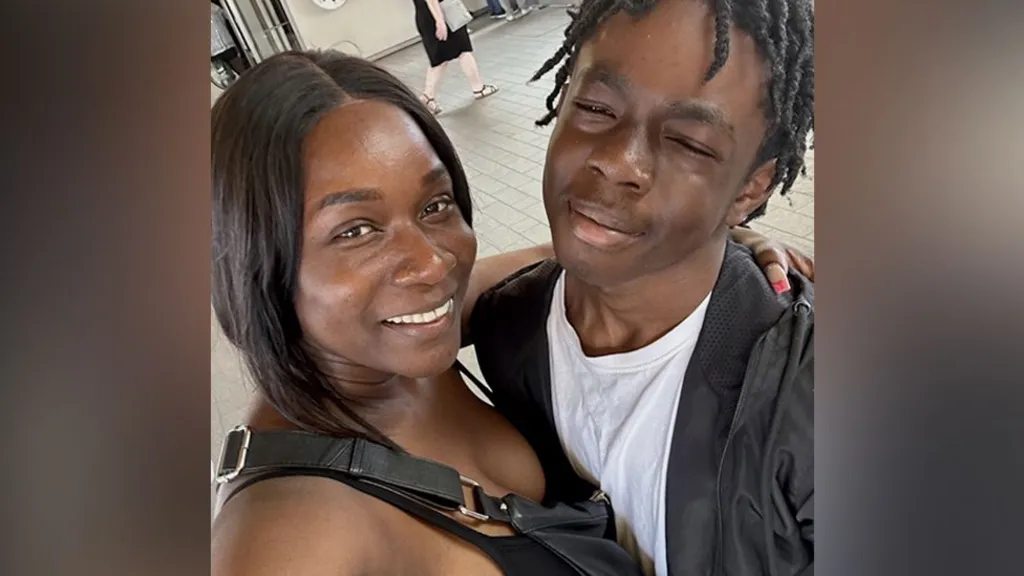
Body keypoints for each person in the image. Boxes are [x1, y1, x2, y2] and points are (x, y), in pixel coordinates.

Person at [209, 50, 647, 576]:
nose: (434, 264)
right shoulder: (286, 541)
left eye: (434, 205)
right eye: (356, 231)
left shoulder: (405, 338)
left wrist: (696, 241)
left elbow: (547, 261)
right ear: (256, 263)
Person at [467, 1, 815, 575]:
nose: (618, 161)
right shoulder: (509, 328)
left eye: (691, 143)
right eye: (596, 108)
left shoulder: (814, 400)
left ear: (751, 190)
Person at [412, 0, 498, 115]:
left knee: (442, 58)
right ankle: (478, 88)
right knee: (461, 51)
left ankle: (428, 97)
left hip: (428, 15)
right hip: (441, 14)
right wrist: (440, 20)